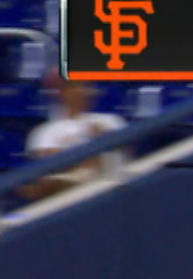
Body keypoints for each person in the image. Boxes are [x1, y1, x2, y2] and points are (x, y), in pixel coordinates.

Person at [18, 69, 128, 202]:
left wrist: (99, 141)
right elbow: (51, 163)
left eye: (86, 86)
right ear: (61, 93)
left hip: (109, 188)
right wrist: (93, 149)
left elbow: (126, 149)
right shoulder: (43, 132)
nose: (84, 91)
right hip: (64, 192)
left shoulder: (110, 120)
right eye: (76, 86)